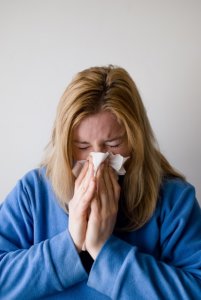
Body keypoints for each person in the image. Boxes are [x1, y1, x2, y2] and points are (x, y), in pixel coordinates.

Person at [0, 65, 201, 300]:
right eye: (82, 147)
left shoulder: (174, 200)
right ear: (64, 143)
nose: (98, 161)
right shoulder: (32, 193)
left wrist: (104, 250)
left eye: (113, 144)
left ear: (136, 140)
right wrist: (71, 244)